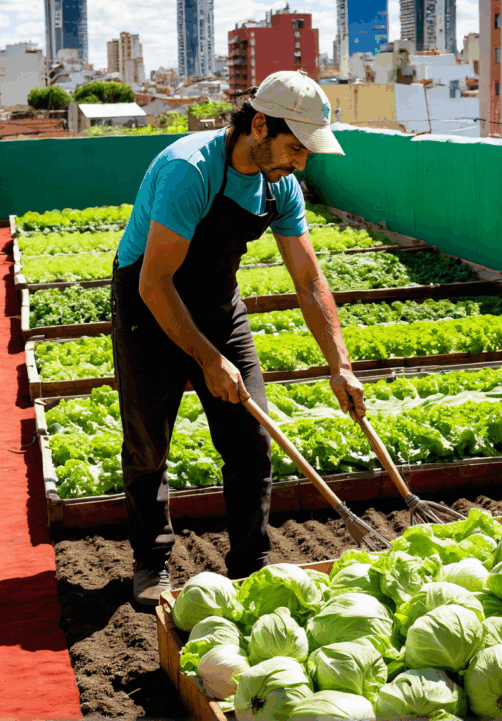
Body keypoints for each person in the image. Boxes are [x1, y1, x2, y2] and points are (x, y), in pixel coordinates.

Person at [111, 70, 366, 607]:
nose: (300, 163)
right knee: (148, 442)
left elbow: (308, 278)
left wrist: (339, 363)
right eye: (294, 148)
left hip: (217, 305)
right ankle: (150, 561)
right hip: (148, 304)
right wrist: (207, 361)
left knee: (251, 440)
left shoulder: (281, 185)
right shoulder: (191, 171)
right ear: (257, 125)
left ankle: (252, 565)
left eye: (306, 153)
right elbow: (155, 283)